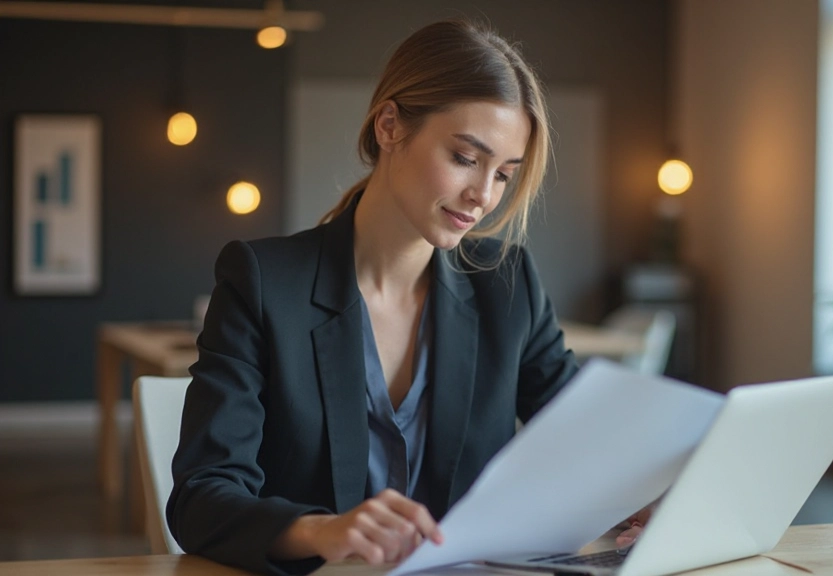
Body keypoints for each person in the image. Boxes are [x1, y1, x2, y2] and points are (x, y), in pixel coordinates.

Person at [167, 19, 584, 576]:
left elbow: (588, 431)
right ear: (390, 126)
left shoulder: (508, 284)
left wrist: (655, 487)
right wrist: (323, 530)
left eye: (504, 174)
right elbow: (201, 498)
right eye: (465, 158)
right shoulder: (263, 282)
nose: (483, 195)